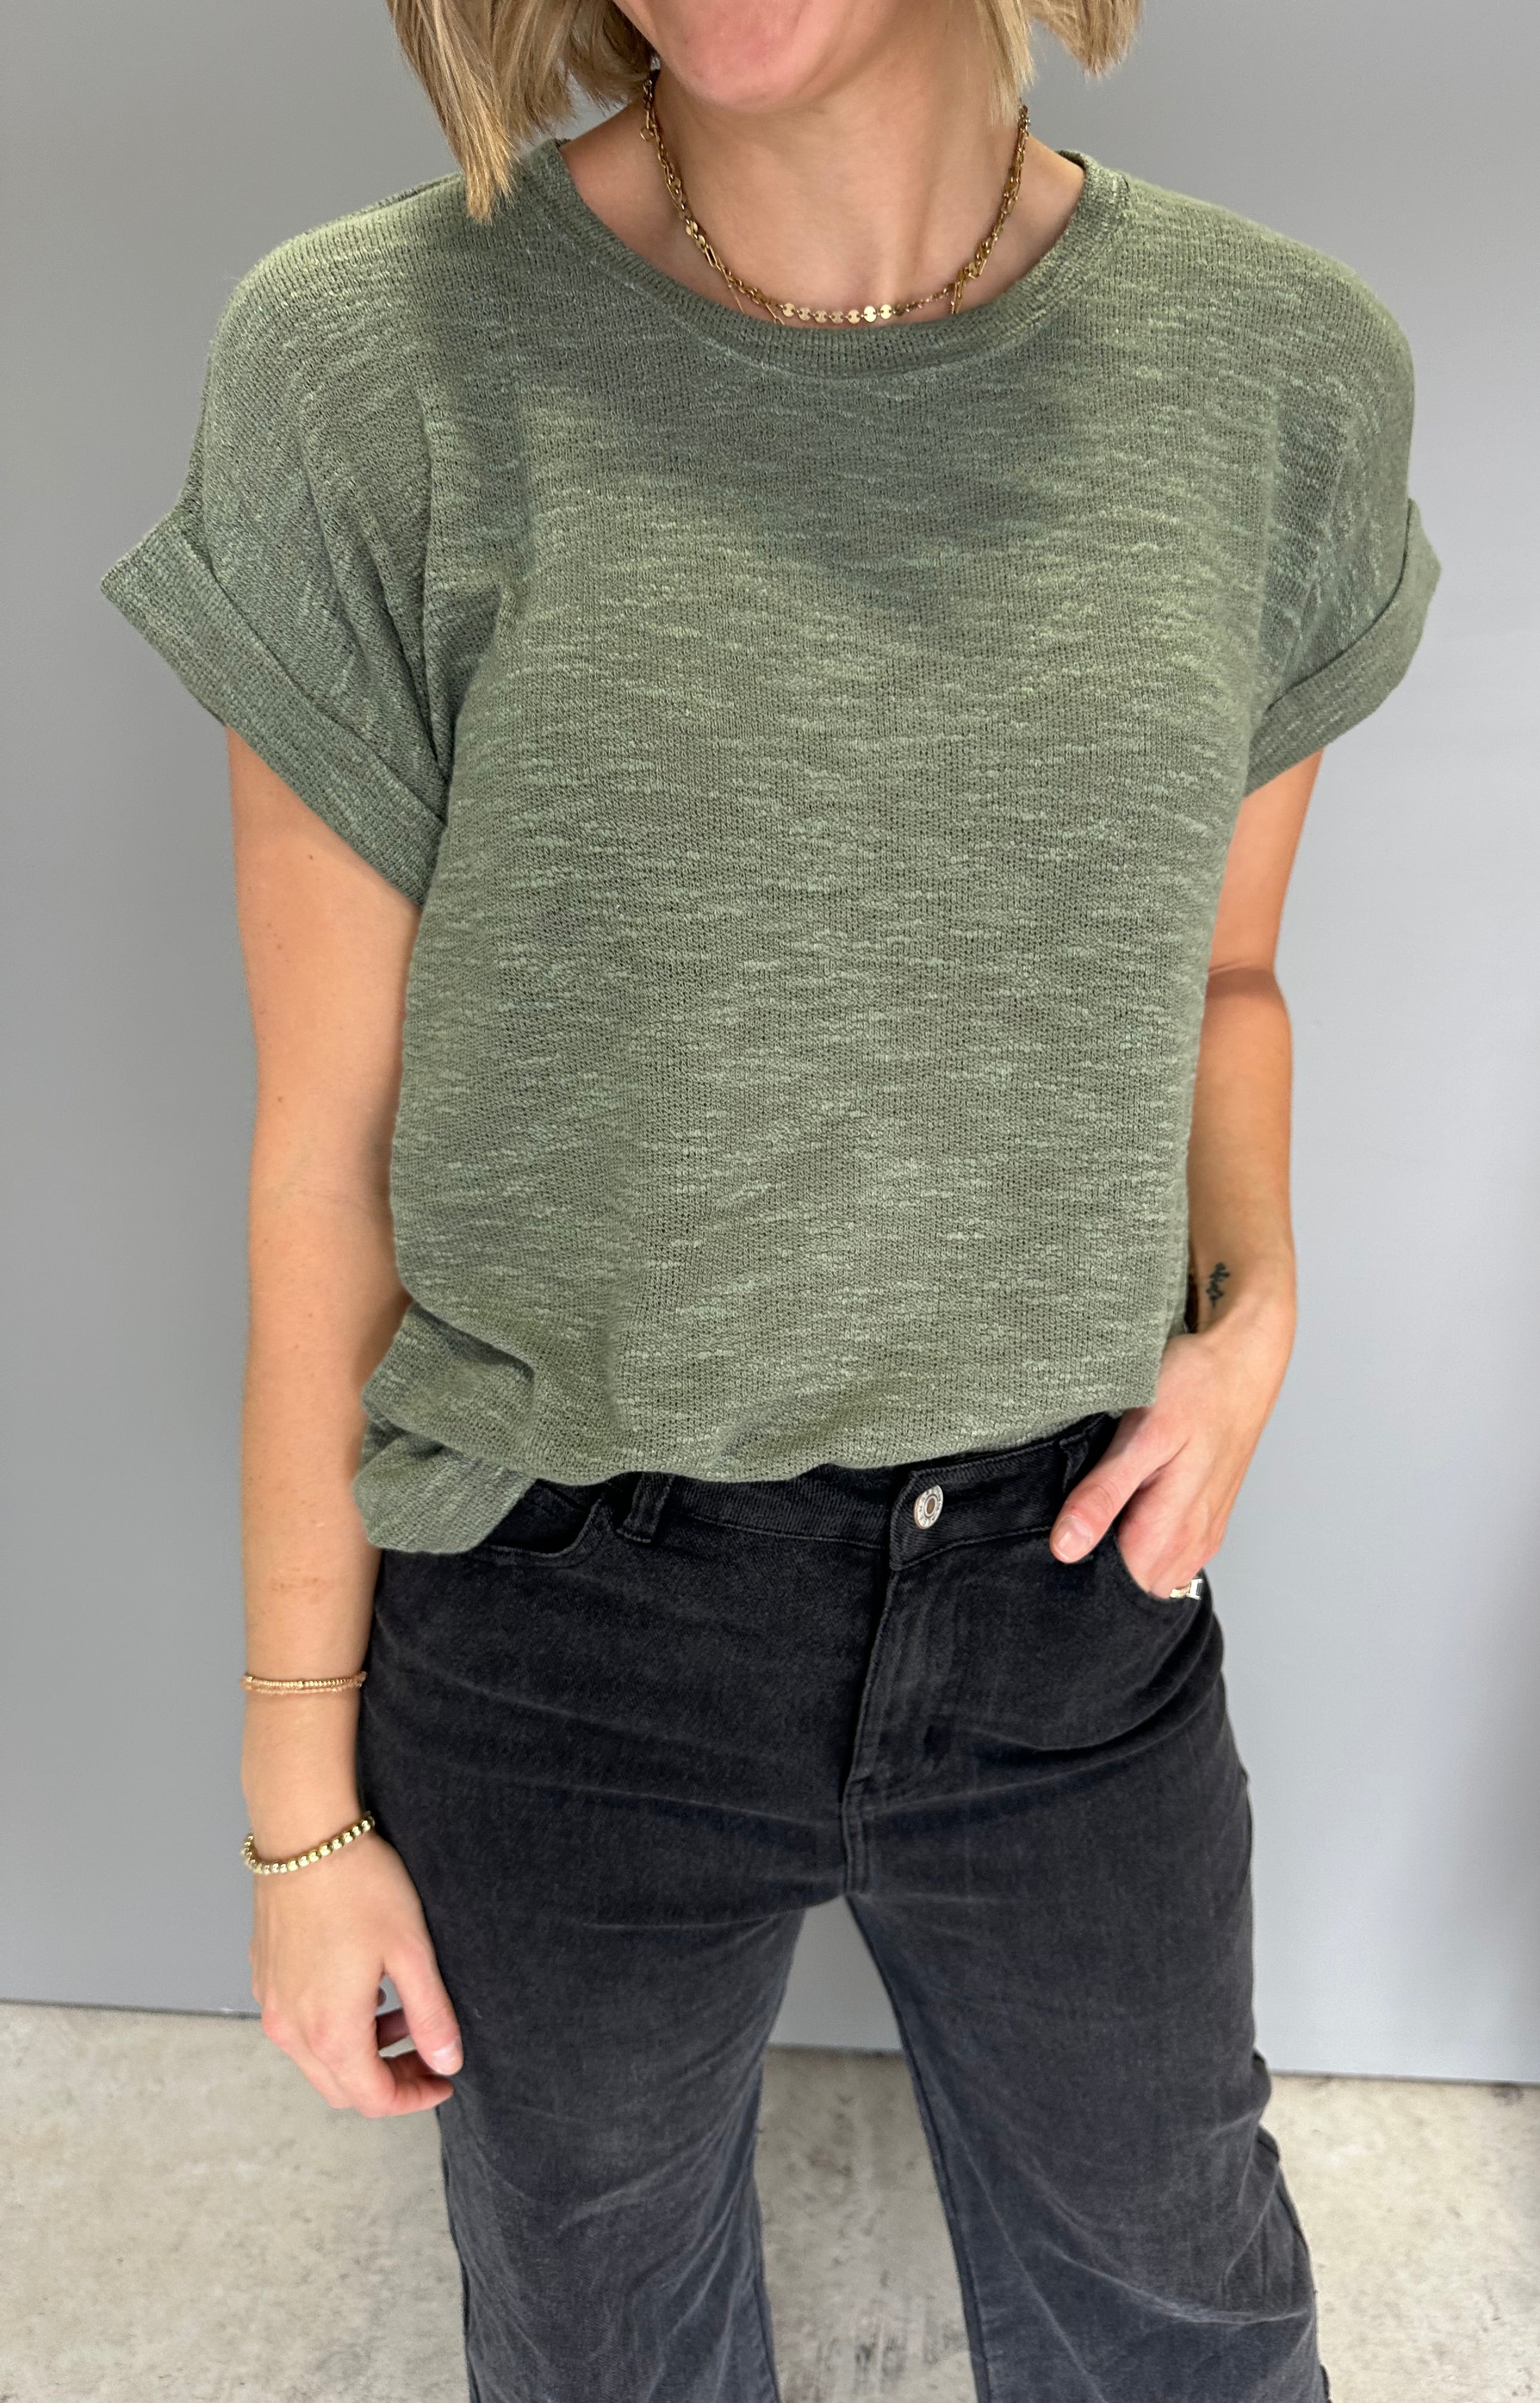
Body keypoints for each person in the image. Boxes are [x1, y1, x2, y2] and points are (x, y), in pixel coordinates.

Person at [100, 1, 1439, 2395]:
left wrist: (1253, 1304)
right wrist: (299, 1811)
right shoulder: (374, 362)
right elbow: (329, 1146)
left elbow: (1226, 977)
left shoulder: (1273, 373)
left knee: (1186, 2327)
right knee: (605, 2351)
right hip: (564, 1613)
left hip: (1065, 1593)